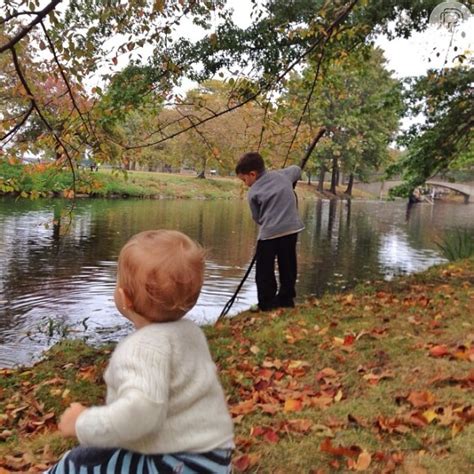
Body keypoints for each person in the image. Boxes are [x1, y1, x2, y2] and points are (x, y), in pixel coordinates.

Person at [47, 230, 234, 473]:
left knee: (78, 462)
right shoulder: (190, 334)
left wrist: (83, 423)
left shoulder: (142, 349)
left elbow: (142, 413)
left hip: (174, 464)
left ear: (124, 298)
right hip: (214, 458)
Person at [235, 152, 304, 312]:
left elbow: (257, 217)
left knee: (264, 270)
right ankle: (286, 299)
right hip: (291, 229)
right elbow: (296, 169)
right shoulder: (283, 175)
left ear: (253, 174)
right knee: (288, 265)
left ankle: (267, 302)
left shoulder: (253, 192)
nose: (245, 184)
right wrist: (291, 179)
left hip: (269, 234)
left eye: (244, 180)